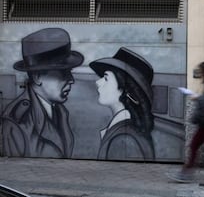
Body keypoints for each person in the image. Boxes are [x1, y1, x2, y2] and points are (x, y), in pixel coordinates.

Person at [1, 28, 84, 158]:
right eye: (62, 73)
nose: (71, 80)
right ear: (37, 77)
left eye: (70, 72)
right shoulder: (17, 120)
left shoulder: (60, 111)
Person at [89, 47, 155, 160]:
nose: (97, 82)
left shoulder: (123, 138)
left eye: (106, 78)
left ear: (124, 88)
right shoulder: (126, 131)